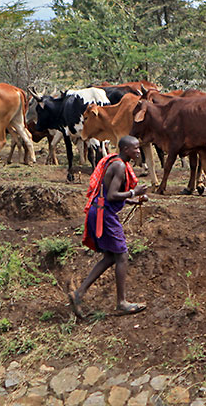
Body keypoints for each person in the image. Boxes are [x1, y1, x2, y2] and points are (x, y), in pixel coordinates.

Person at [68, 135, 149, 318]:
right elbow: (112, 194)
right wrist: (133, 192)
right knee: (122, 255)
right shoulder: (119, 165)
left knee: (111, 257)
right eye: (135, 148)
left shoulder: (118, 163)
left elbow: (109, 192)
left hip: (100, 210)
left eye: (138, 148)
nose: (138, 151)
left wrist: (132, 200)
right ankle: (121, 303)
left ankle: (78, 293)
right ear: (125, 150)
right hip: (105, 214)